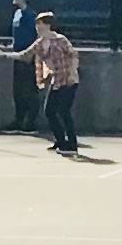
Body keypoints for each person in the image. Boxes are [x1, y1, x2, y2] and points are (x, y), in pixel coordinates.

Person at [25, 14, 85, 154]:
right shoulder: (40, 43)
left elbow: (73, 55)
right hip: (56, 80)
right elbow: (25, 54)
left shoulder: (60, 40)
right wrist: (4, 55)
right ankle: (61, 141)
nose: (37, 27)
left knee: (64, 111)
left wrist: (72, 72)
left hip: (69, 79)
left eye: (39, 24)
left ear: (47, 25)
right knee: (49, 111)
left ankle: (72, 145)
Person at [5, 0, 42, 135]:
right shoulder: (17, 14)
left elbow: (36, 35)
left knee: (29, 88)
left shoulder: (30, 16)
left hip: (28, 55)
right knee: (18, 88)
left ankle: (30, 122)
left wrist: (32, 53)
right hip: (18, 53)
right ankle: (19, 119)